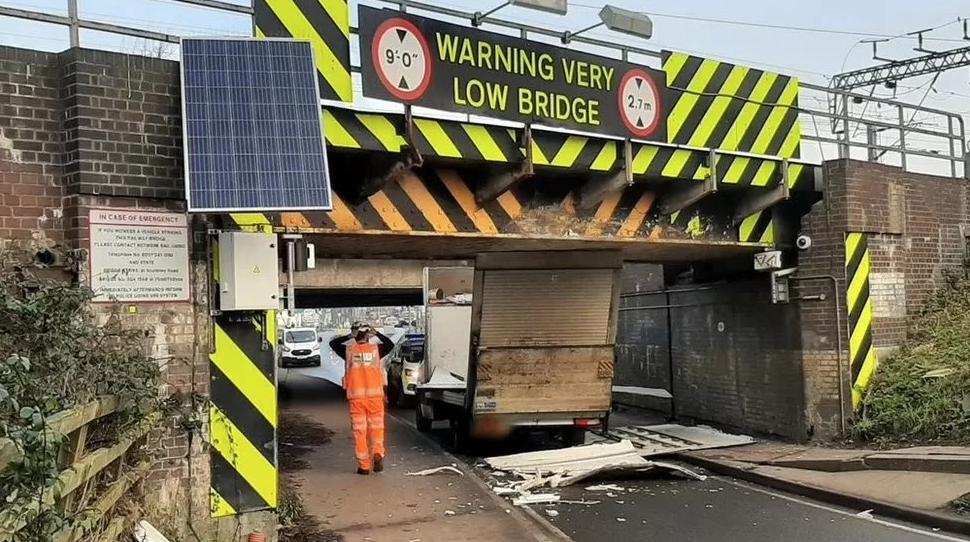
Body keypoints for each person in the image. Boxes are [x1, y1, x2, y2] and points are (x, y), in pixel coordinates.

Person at [328, 321, 395, 475]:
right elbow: (390, 344)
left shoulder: (349, 350)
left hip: (357, 399)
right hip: (375, 398)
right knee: (377, 429)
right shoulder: (376, 349)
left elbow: (333, 343)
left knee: (360, 432)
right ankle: (378, 453)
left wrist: (350, 335)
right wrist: (376, 333)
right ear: (367, 334)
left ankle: (363, 466)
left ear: (355, 334)